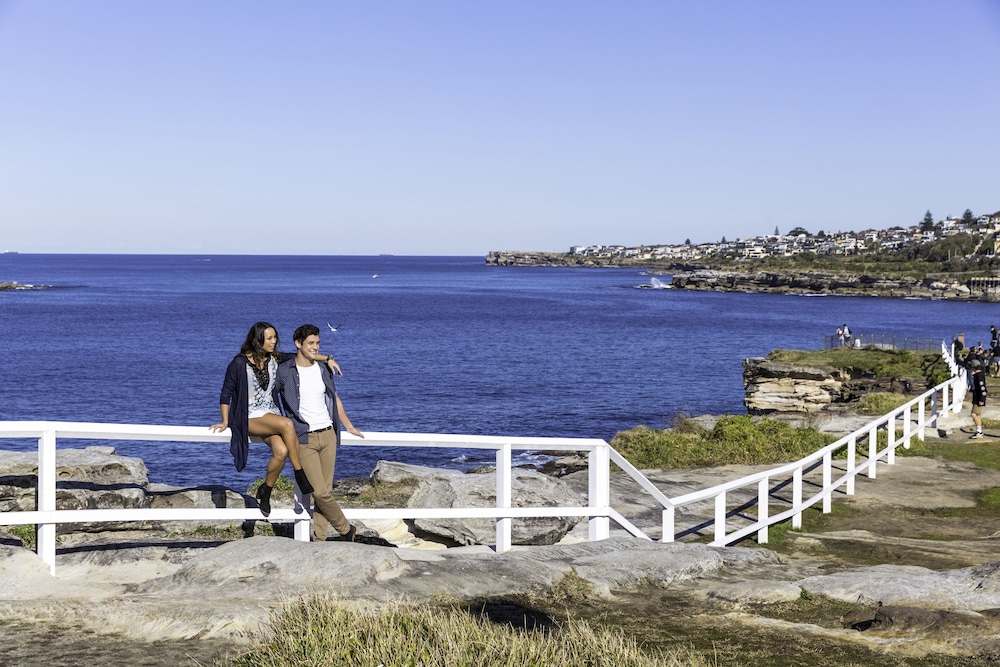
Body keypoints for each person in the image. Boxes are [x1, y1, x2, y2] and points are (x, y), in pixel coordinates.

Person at [211, 321, 340, 515]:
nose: (274, 342)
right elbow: (225, 393)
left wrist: (328, 358)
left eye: (275, 338)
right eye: (270, 338)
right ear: (258, 340)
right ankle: (300, 474)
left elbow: (304, 354)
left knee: (280, 452)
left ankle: (266, 490)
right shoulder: (239, 363)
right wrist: (224, 420)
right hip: (249, 417)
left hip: (270, 414)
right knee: (287, 424)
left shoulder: (275, 359)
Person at [276, 323, 383, 543]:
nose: (315, 347)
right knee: (319, 492)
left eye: (318, 343)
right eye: (311, 343)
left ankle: (319, 540)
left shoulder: (324, 369)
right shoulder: (285, 372)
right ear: (298, 344)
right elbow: (269, 394)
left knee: (325, 492)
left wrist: (349, 426)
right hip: (304, 438)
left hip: (328, 434)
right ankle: (347, 531)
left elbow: (334, 399)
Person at [968, 358, 988, 439]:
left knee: (973, 414)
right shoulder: (977, 375)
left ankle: (979, 431)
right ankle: (979, 430)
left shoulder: (978, 376)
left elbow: (982, 388)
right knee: (977, 414)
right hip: (977, 397)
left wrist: (982, 399)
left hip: (979, 398)